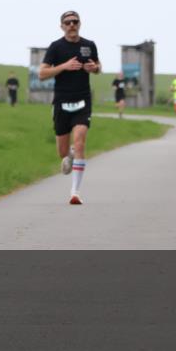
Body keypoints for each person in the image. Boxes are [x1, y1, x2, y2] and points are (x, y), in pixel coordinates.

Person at [38, 10, 100, 205]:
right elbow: (42, 73)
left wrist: (94, 68)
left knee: (80, 141)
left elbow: (98, 66)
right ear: (62, 26)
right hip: (62, 103)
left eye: (75, 21)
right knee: (63, 154)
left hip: (83, 100)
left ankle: (75, 192)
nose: (72, 25)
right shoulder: (56, 47)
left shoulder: (88, 45)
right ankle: (70, 154)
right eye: (67, 22)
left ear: (80, 24)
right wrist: (63, 66)